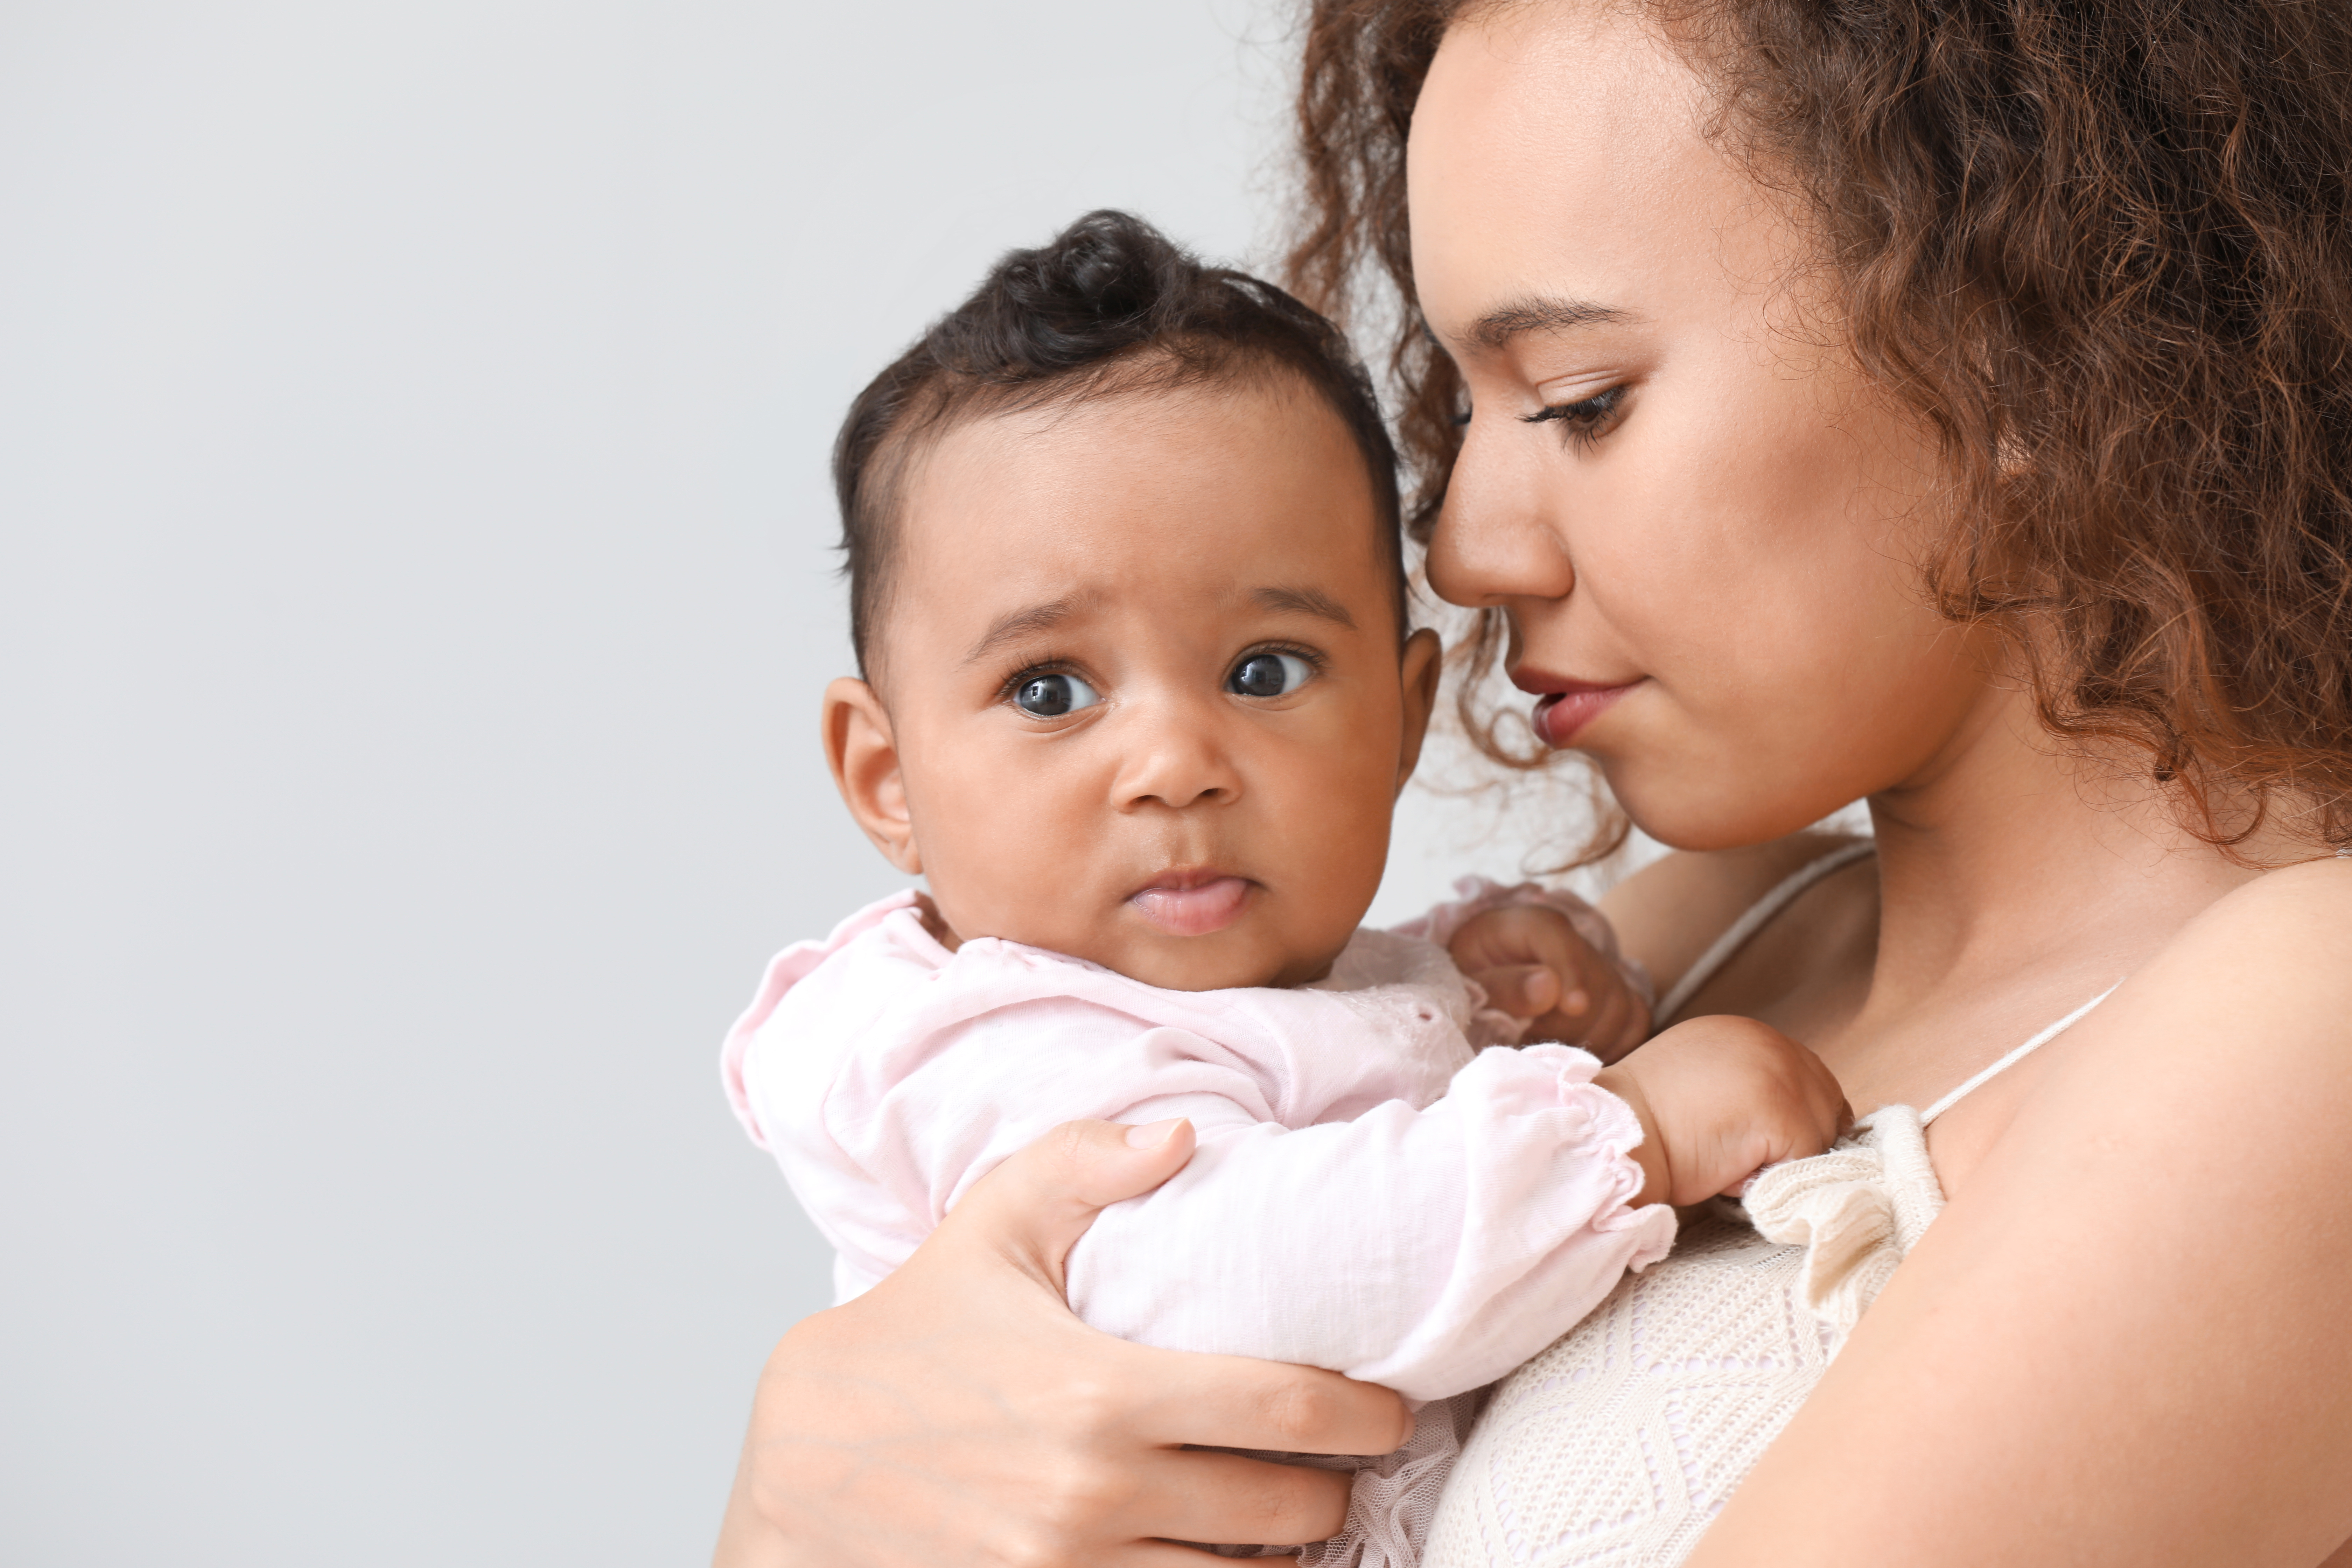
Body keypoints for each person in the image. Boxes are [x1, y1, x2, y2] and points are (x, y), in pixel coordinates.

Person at [715, 0, 2352, 1563]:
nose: (1461, 548)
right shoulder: (1690, 943)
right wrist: (791, 1507)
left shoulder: (2307, 1020)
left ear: (2020, 342)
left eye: (1581, 402)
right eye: (1461, 409)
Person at [723, 208, 1846, 1564]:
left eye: (1264, 671)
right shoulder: (978, 1050)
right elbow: (1255, 1268)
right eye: (1050, 690)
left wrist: (1475, 985)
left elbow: (1317, 1066)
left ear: (1403, 716)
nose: (1175, 767)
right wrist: (1628, 1137)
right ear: (887, 776)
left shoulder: (1251, 986)